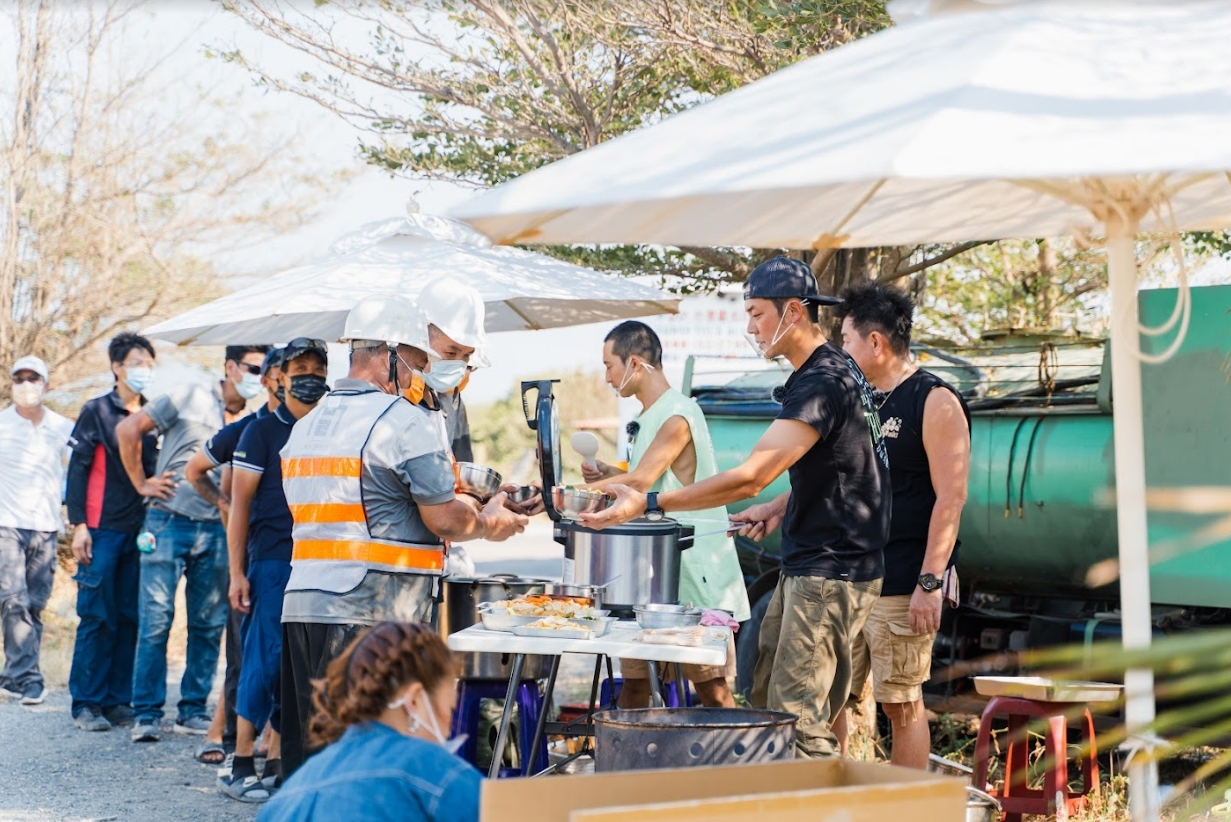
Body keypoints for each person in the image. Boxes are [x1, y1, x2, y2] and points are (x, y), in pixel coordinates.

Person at [581, 257, 891, 758]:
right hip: (810, 563)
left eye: (755, 314)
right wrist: (781, 506)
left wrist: (653, 500)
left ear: (793, 311)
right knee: (768, 705)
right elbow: (848, 469)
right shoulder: (830, 371)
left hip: (830, 570)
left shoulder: (823, 380)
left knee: (799, 723)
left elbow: (750, 476)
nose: (749, 327)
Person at [278, 295, 528, 778]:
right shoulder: (401, 421)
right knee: (368, 758)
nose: (418, 376)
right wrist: (495, 523)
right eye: (415, 362)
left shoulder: (305, 428)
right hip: (370, 613)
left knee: (313, 758)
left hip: (302, 608)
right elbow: (447, 521)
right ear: (388, 353)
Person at [832, 283, 970, 768]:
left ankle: (906, 808)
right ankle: (836, 798)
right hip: (850, 575)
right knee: (832, 696)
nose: (842, 350)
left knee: (901, 703)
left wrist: (930, 583)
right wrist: (775, 508)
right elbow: (841, 476)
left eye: (846, 340)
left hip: (905, 578)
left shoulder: (935, 400)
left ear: (876, 342)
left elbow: (951, 497)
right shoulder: (861, 400)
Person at [581, 321, 750, 708]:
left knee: (712, 691)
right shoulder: (650, 417)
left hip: (695, 574)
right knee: (636, 685)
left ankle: (738, 765)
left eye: (609, 366)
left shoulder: (678, 414)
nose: (606, 377)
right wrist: (606, 473)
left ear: (635, 364)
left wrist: (562, 495)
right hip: (656, 576)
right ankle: (629, 765)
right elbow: (649, 478)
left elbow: (641, 480)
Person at [117, 344, 269, 742]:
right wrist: (141, 483)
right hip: (167, 522)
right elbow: (128, 429)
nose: (258, 374)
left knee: (208, 624)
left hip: (217, 531)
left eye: (264, 368)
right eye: (252, 366)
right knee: (155, 621)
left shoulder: (255, 418)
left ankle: (191, 710)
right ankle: (146, 714)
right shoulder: (190, 395)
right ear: (230, 366)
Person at [220, 339, 328, 802]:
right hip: (270, 563)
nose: (309, 375)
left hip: (318, 562)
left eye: (317, 368)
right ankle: (241, 762)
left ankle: (280, 763)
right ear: (279, 377)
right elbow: (238, 506)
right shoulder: (261, 432)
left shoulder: (329, 429)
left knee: (298, 667)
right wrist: (236, 573)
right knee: (261, 663)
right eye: (299, 367)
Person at [257, 622, 479, 822]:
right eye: (450, 710)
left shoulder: (286, 796)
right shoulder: (431, 768)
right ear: (413, 700)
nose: (450, 727)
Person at [184, 346, 284, 766]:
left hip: (304, 557)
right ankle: (224, 735)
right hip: (255, 556)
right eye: (281, 372)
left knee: (281, 655)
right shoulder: (249, 429)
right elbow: (194, 470)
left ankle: (272, 740)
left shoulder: (321, 426)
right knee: (244, 652)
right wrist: (224, 504)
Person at [65, 333, 160, 732]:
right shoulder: (97, 411)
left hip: (140, 530)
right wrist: (79, 526)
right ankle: (86, 703)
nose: (144, 370)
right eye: (137, 362)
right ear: (117, 367)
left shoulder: (155, 415)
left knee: (129, 616)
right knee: (96, 616)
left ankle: (117, 701)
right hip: (101, 529)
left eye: (150, 363)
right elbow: (78, 468)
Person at [0, 356, 74, 706]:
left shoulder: (63, 427)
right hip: (7, 524)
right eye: (20, 378)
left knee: (33, 604)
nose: (27, 385)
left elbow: (80, 470)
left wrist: (72, 510)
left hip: (46, 527)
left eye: (34, 378)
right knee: (13, 600)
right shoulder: (1, 425)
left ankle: (14, 675)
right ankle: (30, 679)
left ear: (46, 384)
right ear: (12, 383)